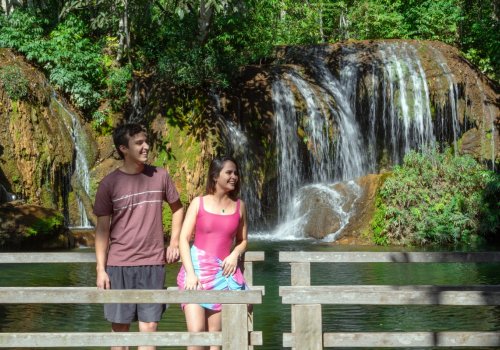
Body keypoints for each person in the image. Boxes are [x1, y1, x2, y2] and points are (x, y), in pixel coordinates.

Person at [93, 123, 184, 350]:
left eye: (146, 141)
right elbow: (102, 230)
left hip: (152, 262)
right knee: (120, 330)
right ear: (124, 148)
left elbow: (178, 209)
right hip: (119, 264)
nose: (146, 147)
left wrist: (173, 243)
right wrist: (100, 269)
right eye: (139, 143)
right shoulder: (109, 184)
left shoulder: (160, 176)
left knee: (149, 327)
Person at [177, 156, 248, 350]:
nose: (234, 176)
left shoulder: (239, 206)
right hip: (196, 274)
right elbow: (183, 239)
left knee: (215, 339)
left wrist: (234, 254)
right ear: (215, 176)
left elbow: (243, 241)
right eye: (229, 172)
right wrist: (190, 273)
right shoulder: (198, 203)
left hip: (221, 276)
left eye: (236, 173)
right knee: (197, 335)